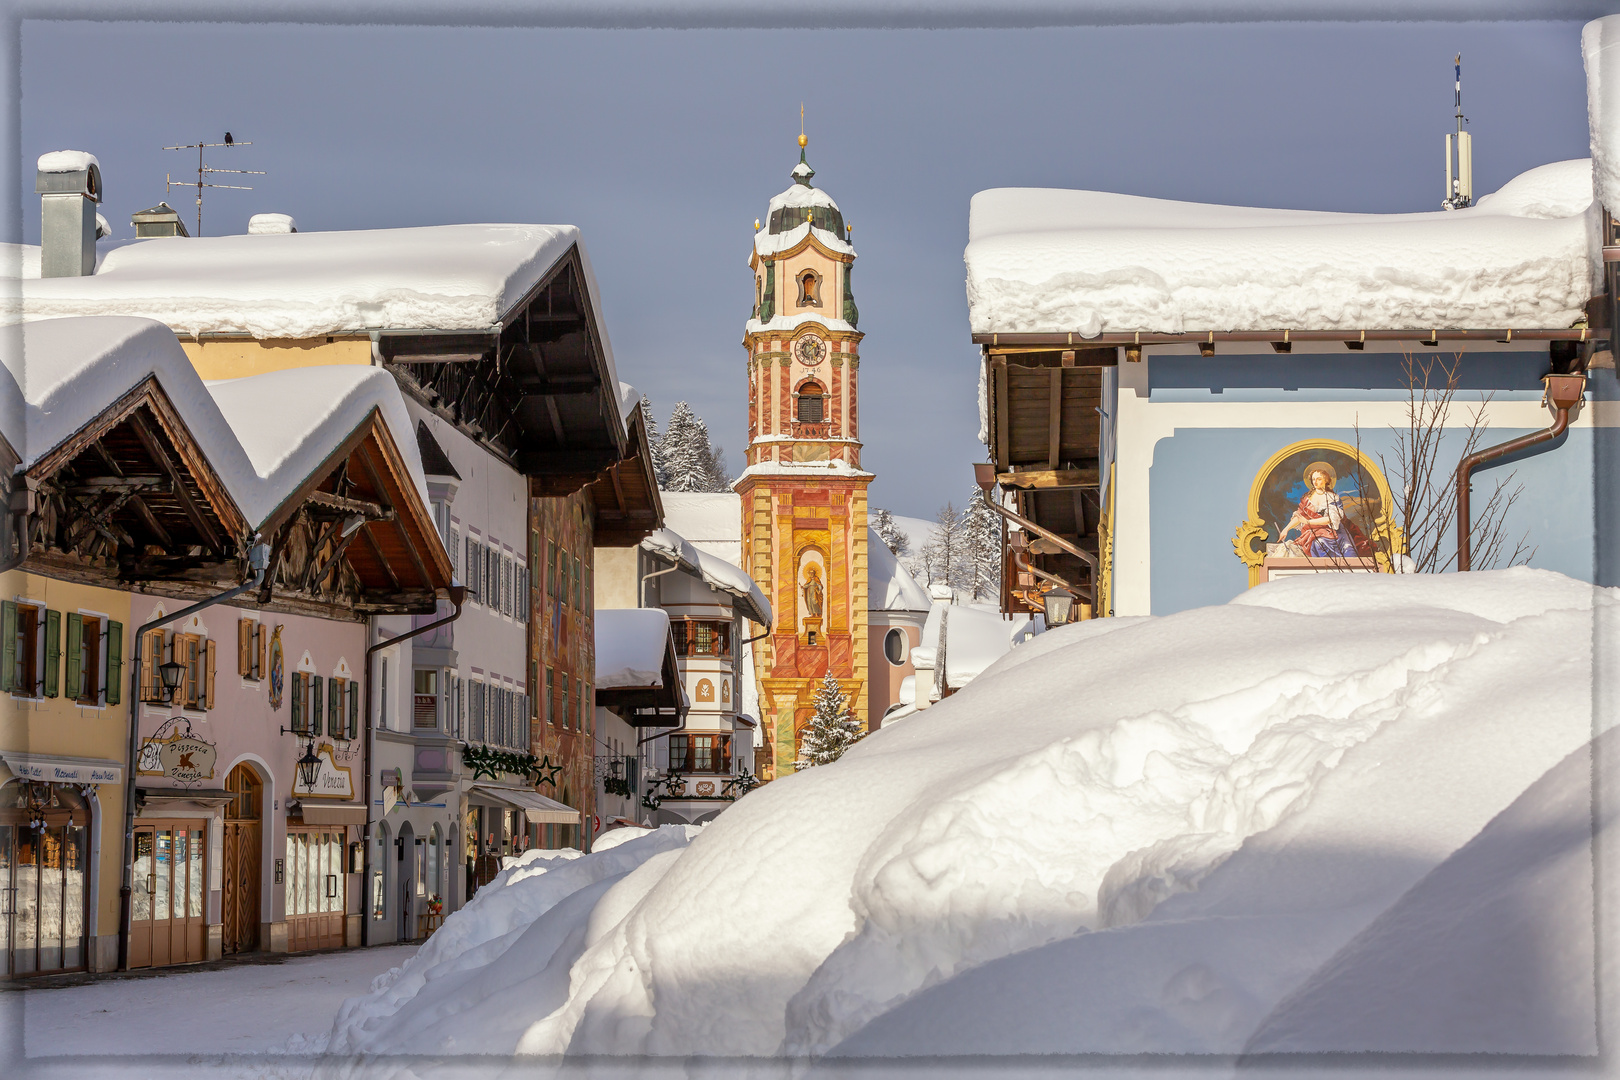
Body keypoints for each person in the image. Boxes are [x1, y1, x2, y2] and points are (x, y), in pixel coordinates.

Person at [1284, 461, 1372, 558]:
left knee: (1348, 550)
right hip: (1317, 533)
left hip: (1337, 533)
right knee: (1319, 543)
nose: (1315, 482)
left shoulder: (1332, 497)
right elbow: (1299, 516)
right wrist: (1286, 529)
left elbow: (1330, 519)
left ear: (1326, 480)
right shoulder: (1307, 499)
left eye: (1319, 479)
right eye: (1313, 479)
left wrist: (1308, 522)